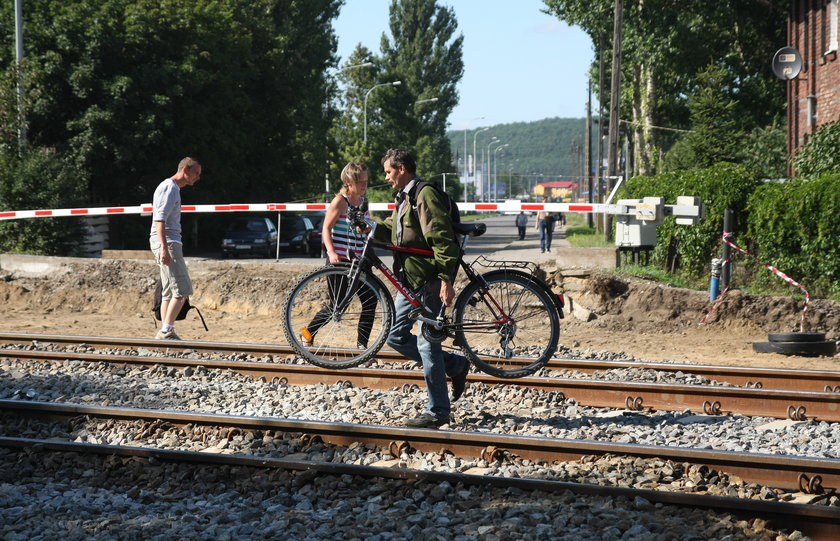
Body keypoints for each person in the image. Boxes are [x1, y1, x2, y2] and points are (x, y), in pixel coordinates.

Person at [372, 148, 469, 428]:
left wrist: (446, 280)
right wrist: (368, 225)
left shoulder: (424, 195)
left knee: (427, 345)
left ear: (402, 168)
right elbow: (395, 230)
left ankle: (438, 411)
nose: (387, 177)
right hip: (410, 282)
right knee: (395, 336)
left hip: (429, 280)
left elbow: (441, 239)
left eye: (389, 172)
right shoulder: (404, 198)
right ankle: (455, 365)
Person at [300, 162, 377, 349]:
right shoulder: (340, 201)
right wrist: (331, 252)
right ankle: (308, 334)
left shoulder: (362, 202)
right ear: (349, 182)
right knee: (338, 305)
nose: (364, 186)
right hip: (340, 259)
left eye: (366, 181)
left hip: (358, 260)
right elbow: (326, 227)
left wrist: (366, 228)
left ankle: (362, 345)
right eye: (361, 182)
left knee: (371, 299)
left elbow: (360, 229)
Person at [150, 157, 201, 340]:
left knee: (168, 291)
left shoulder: (172, 188)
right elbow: (160, 219)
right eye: (196, 173)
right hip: (168, 243)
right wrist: (164, 247)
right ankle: (166, 331)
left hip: (166, 242)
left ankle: (166, 331)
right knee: (182, 289)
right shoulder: (169, 188)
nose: (198, 177)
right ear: (185, 170)